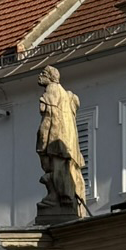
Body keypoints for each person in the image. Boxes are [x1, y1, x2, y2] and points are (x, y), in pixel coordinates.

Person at [36, 65, 88, 214]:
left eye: (43, 73)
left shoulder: (51, 91)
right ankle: (66, 196)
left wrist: (43, 141)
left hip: (56, 136)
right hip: (68, 140)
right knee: (66, 169)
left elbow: (48, 118)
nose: (40, 76)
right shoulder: (67, 95)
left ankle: (61, 196)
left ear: (50, 78)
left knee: (55, 168)